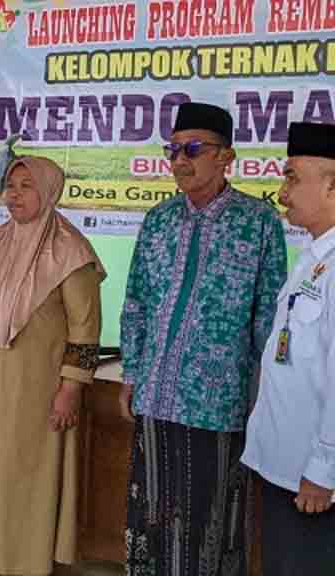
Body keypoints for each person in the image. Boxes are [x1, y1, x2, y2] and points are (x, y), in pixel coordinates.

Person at [120, 101, 287, 575]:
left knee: (208, 519)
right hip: (154, 395)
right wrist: (131, 374)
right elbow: (136, 301)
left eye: (193, 149)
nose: (179, 160)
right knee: (152, 513)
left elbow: (269, 317)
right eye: (173, 150)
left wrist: (262, 395)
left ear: (226, 156)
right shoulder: (158, 220)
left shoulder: (258, 222)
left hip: (218, 402)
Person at [0, 156, 105, 576]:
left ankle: (24, 562)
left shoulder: (70, 251)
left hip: (39, 382)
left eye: (26, 186)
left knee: (26, 467)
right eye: (10, 185)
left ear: (49, 191)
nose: (13, 195)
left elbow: (85, 327)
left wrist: (70, 390)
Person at [241, 121, 335, 576]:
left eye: (293, 178)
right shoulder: (314, 256)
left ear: (332, 186)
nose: (282, 193)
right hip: (286, 463)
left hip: (315, 480)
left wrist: (324, 468)